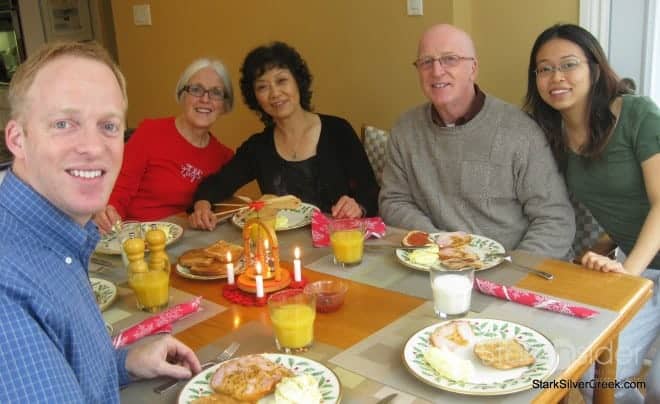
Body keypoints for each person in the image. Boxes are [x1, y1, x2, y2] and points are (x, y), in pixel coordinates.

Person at [0, 41, 201, 402]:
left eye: (108, 126)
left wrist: (123, 363)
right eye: (64, 124)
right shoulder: (8, 289)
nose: (93, 147)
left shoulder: (55, 236)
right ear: (17, 139)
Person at [524, 23, 660, 403]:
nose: (556, 77)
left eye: (569, 64)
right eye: (544, 68)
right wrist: (602, 252)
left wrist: (627, 275)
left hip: (637, 269)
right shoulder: (551, 135)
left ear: (594, 69)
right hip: (645, 269)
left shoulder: (637, 113)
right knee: (594, 377)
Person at [379, 24, 574, 258]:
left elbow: (555, 219)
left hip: (509, 264)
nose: (437, 71)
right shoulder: (405, 129)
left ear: (473, 68)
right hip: (433, 261)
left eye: (450, 59)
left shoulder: (521, 132)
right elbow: (394, 200)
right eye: (426, 62)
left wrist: (512, 269)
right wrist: (436, 241)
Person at [189, 41, 379, 230]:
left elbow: (371, 192)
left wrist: (358, 206)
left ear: (298, 82)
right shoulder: (258, 147)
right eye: (262, 87)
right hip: (280, 245)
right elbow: (219, 183)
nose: (274, 93)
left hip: (338, 240)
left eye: (281, 81)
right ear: (255, 98)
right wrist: (202, 204)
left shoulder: (338, 130)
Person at [94, 58, 235, 232]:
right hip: (135, 236)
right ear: (183, 95)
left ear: (224, 104)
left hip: (186, 240)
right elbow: (120, 190)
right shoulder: (150, 132)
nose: (205, 99)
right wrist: (109, 216)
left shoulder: (223, 157)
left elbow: (225, 206)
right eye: (196, 90)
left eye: (216, 93)